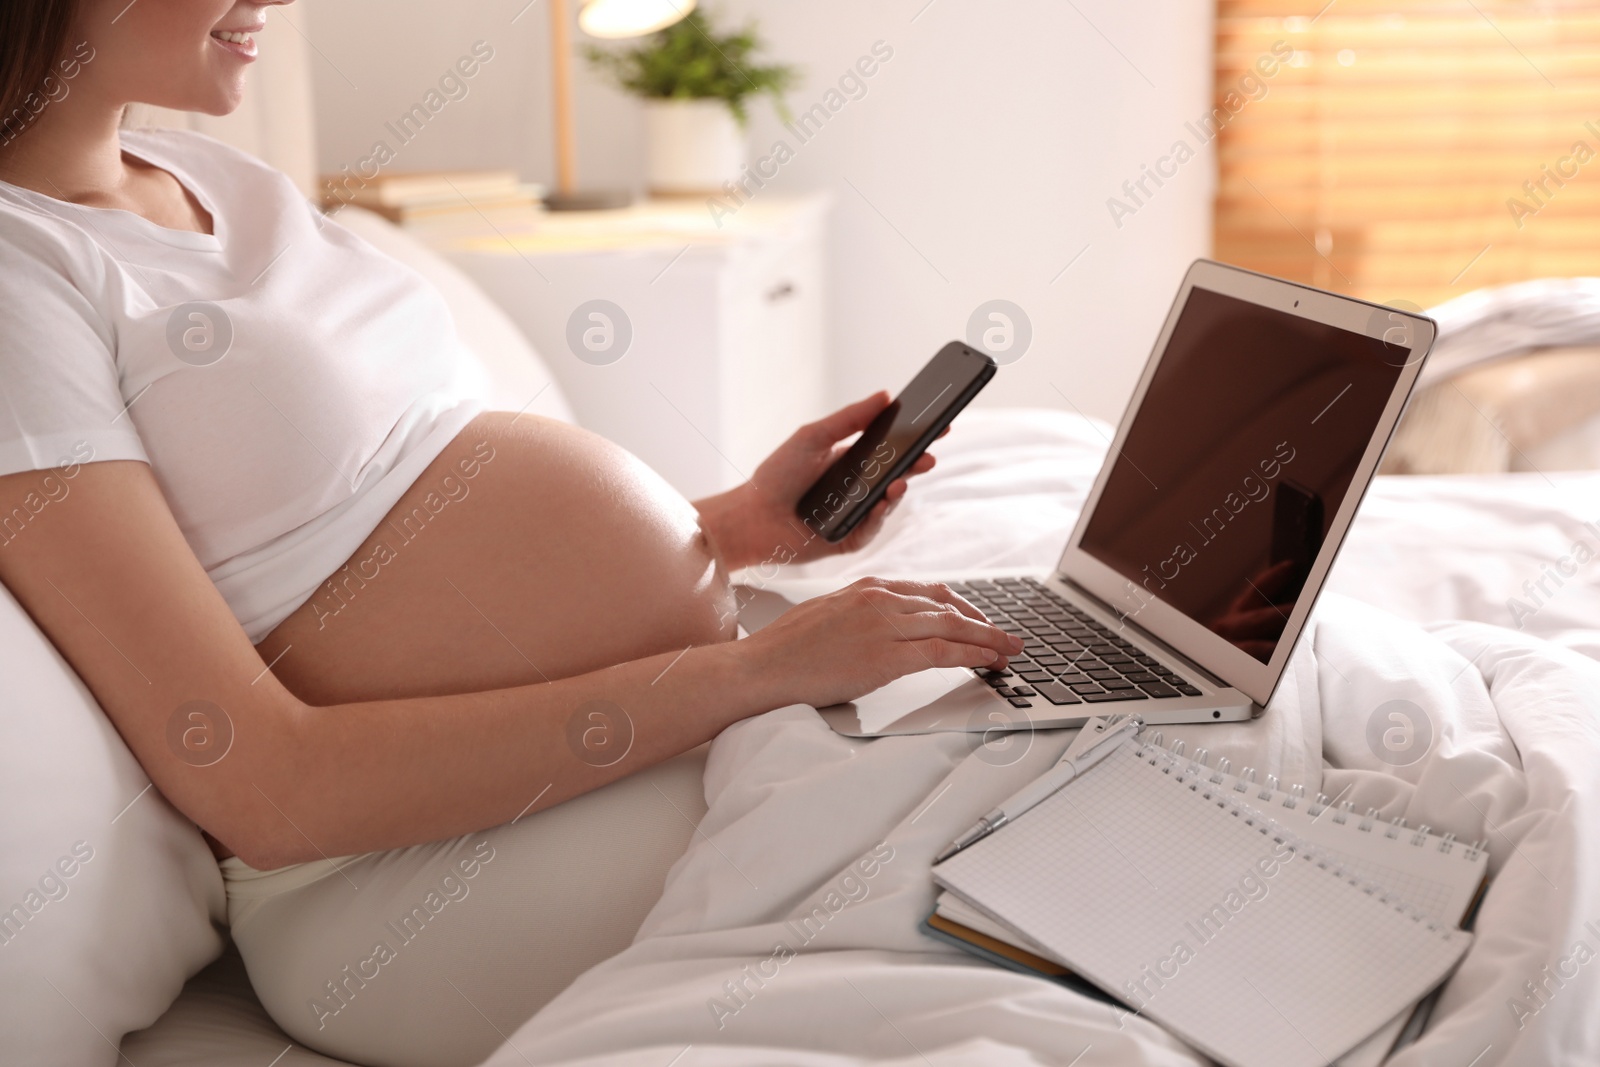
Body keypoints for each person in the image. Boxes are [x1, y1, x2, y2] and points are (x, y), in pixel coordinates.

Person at [0, 2, 1018, 1063]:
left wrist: (731, 528)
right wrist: (757, 673)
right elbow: (263, 782)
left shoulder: (207, 174)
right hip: (398, 871)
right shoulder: (18, 275)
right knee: (988, 852)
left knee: (1043, 759)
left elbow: (392, 511)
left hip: (611, 747)